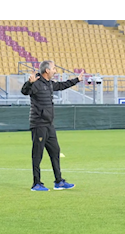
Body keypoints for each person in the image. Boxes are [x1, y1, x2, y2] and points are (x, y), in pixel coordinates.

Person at [21, 60, 84, 191]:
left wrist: (77, 79)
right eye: (54, 68)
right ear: (47, 70)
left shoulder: (49, 84)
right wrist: (29, 83)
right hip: (38, 125)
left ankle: (59, 181)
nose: (55, 71)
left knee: (55, 151)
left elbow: (61, 85)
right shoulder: (36, 83)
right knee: (37, 155)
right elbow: (24, 91)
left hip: (49, 125)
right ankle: (36, 183)